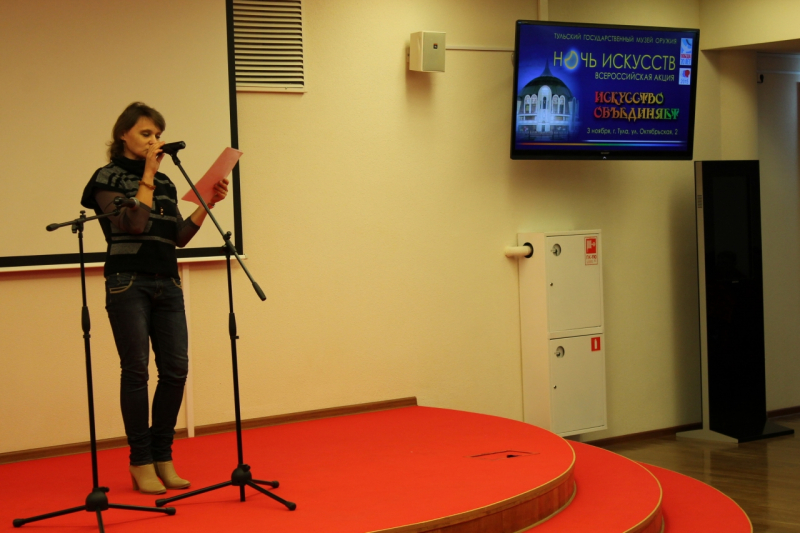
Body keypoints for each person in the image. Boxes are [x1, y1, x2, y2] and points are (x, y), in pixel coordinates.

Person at [80, 102, 229, 494]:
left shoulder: (165, 183)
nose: (154, 141)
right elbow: (133, 224)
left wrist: (208, 203)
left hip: (168, 281)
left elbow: (177, 237)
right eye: (146, 133)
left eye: (158, 135)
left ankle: (163, 455)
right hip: (128, 282)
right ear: (123, 135)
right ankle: (140, 460)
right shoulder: (106, 178)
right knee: (137, 372)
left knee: (176, 369)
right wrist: (147, 174)